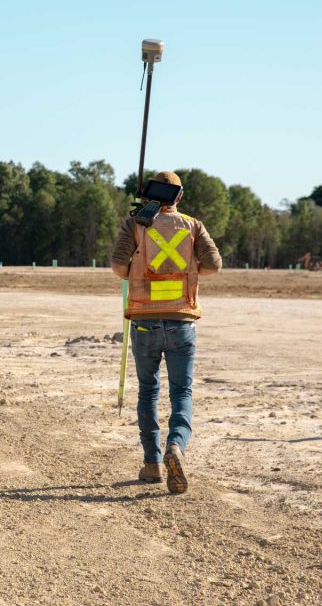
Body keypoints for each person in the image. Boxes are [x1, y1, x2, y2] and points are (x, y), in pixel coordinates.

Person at [110, 171, 222, 494]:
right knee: (181, 393)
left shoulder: (136, 224)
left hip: (144, 320)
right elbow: (214, 265)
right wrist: (186, 270)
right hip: (181, 321)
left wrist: (138, 258)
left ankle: (153, 463)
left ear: (149, 196)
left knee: (147, 391)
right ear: (179, 197)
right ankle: (176, 445)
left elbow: (119, 268)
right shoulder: (193, 225)